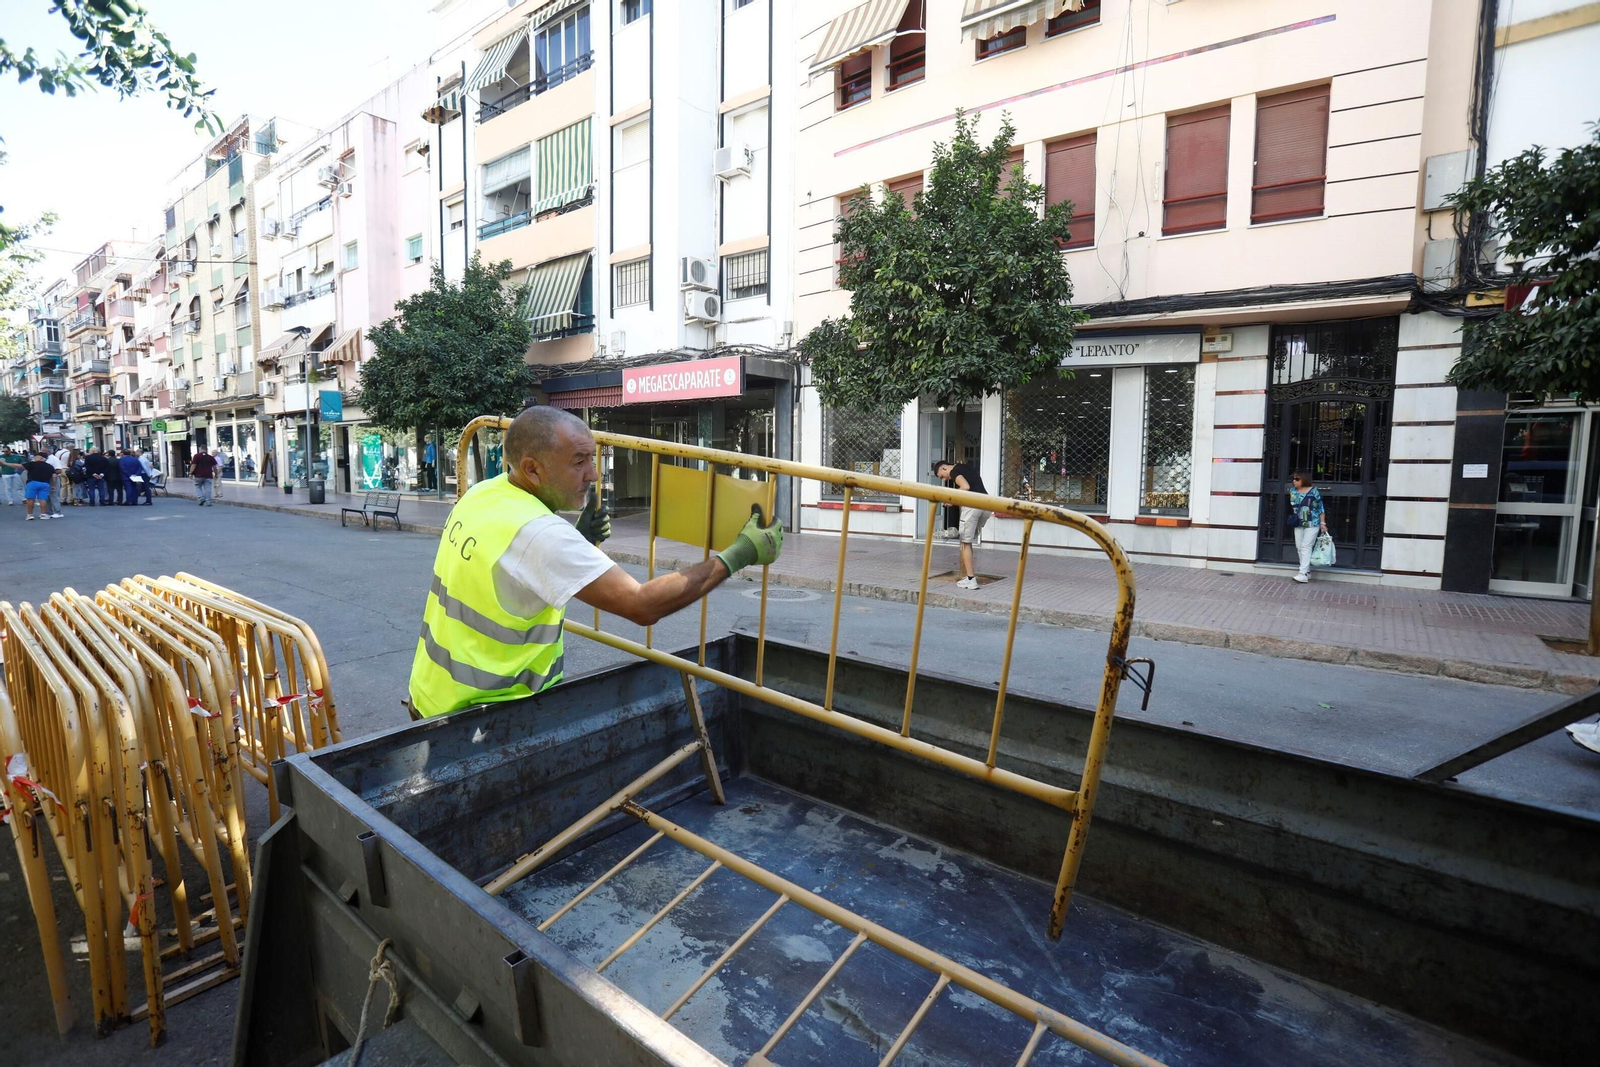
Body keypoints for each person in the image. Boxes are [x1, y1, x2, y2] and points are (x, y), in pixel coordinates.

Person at [407, 407, 785, 720]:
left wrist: (578, 536)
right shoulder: (541, 535)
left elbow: (514, 569)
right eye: (578, 462)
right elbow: (642, 604)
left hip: (430, 694)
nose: (593, 473)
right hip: (482, 715)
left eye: (593, 459)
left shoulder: (483, 492)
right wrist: (739, 554)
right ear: (532, 469)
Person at [932, 458, 989, 590]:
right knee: (968, 541)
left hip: (973, 506)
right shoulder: (967, 467)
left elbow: (965, 487)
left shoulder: (954, 472)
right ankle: (969, 576)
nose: (945, 479)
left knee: (965, 542)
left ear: (944, 468)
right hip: (986, 504)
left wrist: (951, 499)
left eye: (942, 476)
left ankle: (970, 579)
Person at [1288, 470, 1328, 584]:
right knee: (1299, 547)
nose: (1294, 481)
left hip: (1312, 523)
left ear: (1304, 479)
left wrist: (1323, 523)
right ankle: (1307, 571)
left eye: (1297, 479)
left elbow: (1321, 508)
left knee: (1306, 546)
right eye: (1293, 479)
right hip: (1298, 523)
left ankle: (1302, 573)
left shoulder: (1313, 492)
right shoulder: (1293, 492)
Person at [2, 451, 63, 520]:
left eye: (36, 456)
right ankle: (43, 514)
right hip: (45, 483)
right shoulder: (50, 466)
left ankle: (30, 514)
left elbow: (18, 466)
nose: (34, 458)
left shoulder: (32, 464)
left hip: (32, 483)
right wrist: (53, 486)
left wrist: (5, 463)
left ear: (41, 458)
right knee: (43, 499)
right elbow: (54, 476)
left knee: (30, 498)